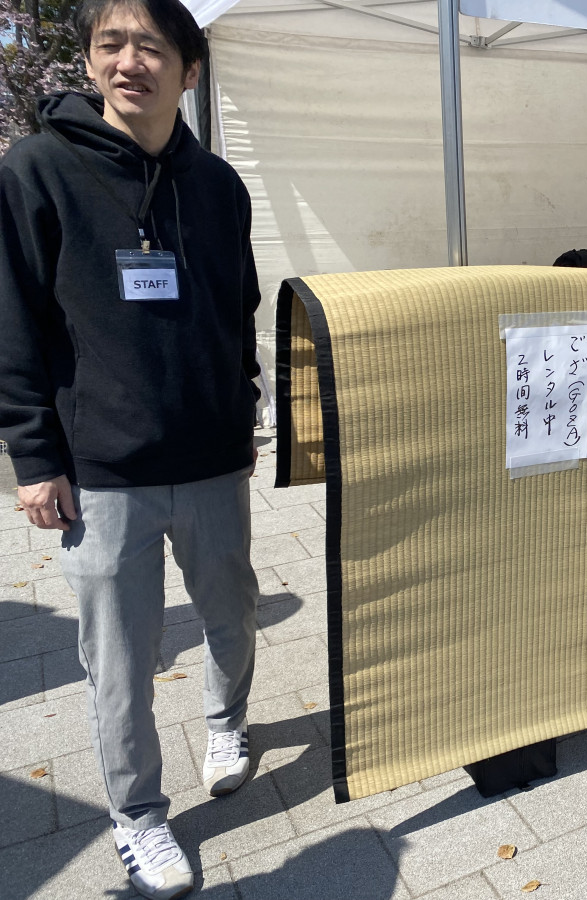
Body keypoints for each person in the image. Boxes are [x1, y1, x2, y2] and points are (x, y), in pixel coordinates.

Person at [0, 0, 261, 896]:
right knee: (118, 657)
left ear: (189, 70)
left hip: (212, 458)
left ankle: (226, 722)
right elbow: (13, 320)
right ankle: (138, 815)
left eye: (151, 45)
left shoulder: (218, 185)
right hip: (103, 469)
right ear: (88, 62)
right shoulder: (38, 170)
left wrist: (242, 413)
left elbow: (238, 314)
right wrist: (35, 458)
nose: (128, 61)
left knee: (233, 611)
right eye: (110, 44)